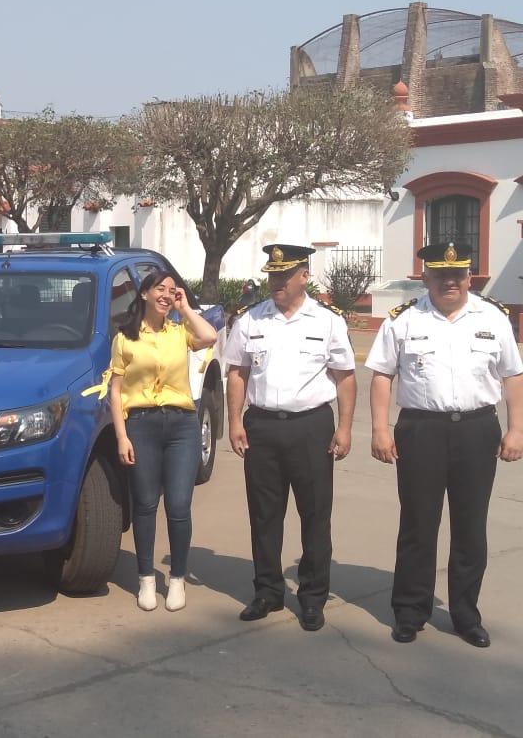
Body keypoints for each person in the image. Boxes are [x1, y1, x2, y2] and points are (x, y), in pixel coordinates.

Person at [366, 242, 523, 648]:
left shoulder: (493, 317)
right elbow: (382, 374)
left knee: (471, 527)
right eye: (440, 274)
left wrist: (516, 429)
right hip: (421, 430)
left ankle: (466, 615)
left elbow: (512, 376)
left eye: (458, 274)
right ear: (427, 277)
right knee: (418, 524)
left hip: (477, 429)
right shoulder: (404, 319)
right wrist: (380, 429)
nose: (450, 281)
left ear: (470, 277)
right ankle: (410, 610)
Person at [223, 244, 356, 631]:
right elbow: (237, 373)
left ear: (304, 276)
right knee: (264, 515)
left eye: (284, 275)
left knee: (315, 514)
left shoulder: (327, 321)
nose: (275, 282)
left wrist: (344, 427)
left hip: (311, 427)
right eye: (272, 275)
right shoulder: (251, 320)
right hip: (262, 426)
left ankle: (313, 597)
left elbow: (346, 377)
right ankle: (267, 591)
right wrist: (235, 421)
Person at [106, 271, 218, 611]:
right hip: (141, 425)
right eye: (161, 289)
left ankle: (178, 579)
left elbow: (210, 335)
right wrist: (122, 436)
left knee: (179, 505)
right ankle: (146, 580)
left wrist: (185, 309)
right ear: (144, 294)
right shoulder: (125, 338)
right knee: (145, 504)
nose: (167, 295)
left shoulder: (179, 332)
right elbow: (115, 391)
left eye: (173, 291)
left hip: (182, 425)